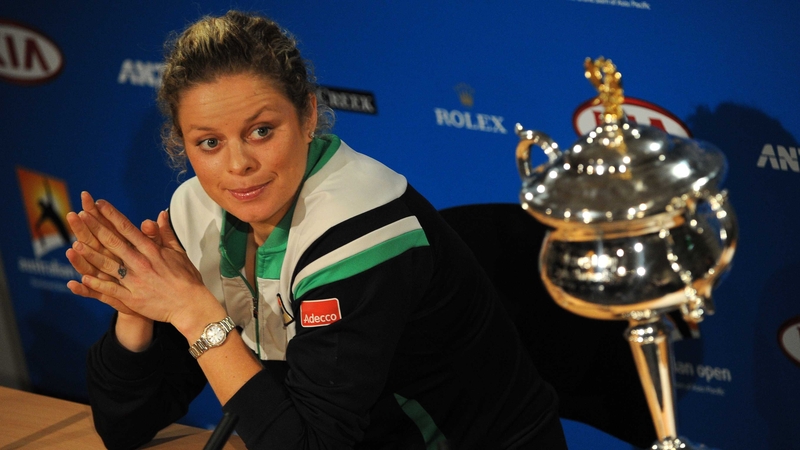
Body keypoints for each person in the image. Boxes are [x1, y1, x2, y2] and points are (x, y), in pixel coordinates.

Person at [65, 10, 566, 450]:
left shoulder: (359, 233)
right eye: (210, 142)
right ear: (182, 144)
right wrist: (138, 309)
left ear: (307, 115)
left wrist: (194, 314)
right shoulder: (196, 212)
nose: (238, 165)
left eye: (261, 131)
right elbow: (123, 427)